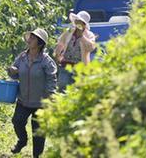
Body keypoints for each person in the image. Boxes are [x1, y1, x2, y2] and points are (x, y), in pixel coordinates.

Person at [7, 28, 57, 158]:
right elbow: (15, 73)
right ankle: (22, 141)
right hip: (23, 100)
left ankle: (37, 156)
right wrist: (12, 71)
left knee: (38, 133)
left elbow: (52, 79)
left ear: (40, 43)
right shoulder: (22, 57)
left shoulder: (46, 61)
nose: (29, 40)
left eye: (33, 38)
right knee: (17, 121)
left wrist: (51, 95)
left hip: (41, 103)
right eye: (30, 37)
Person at [54, 11, 96, 92]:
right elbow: (60, 43)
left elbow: (91, 47)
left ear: (84, 24)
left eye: (80, 21)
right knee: (62, 87)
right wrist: (57, 55)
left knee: (78, 90)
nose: (78, 23)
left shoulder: (89, 35)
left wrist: (82, 37)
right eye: (77, 20)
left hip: (80, 67)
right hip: (66, 64)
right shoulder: (69, 31)